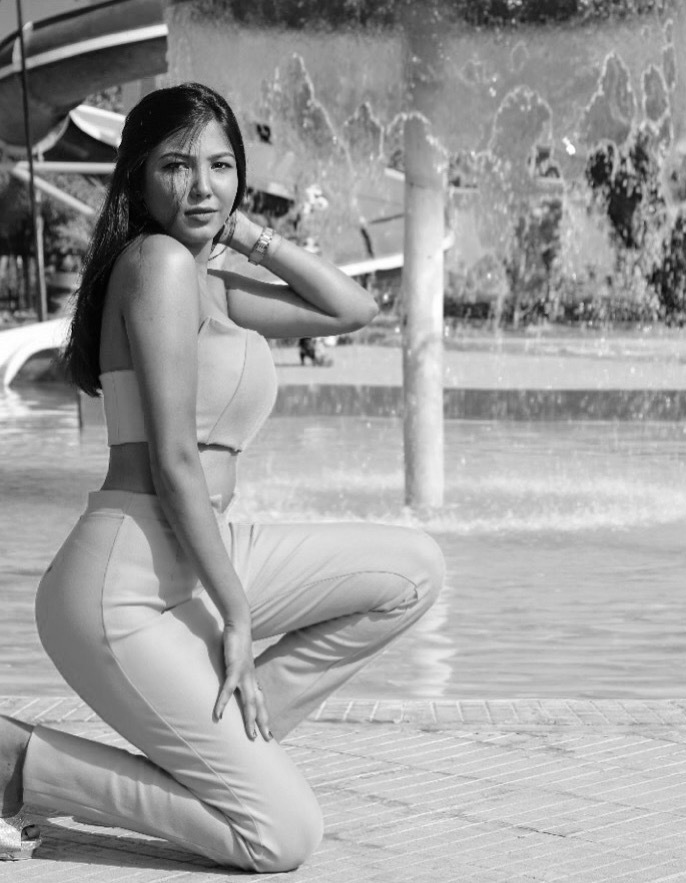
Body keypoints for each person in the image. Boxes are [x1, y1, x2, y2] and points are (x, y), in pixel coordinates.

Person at [0, 83, 445, 871]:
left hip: (199, 556)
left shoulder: (209, 278)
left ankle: (220, 749)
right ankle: (16, 762)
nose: (200, 186)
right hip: (127, 582)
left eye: (220, 165)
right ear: (138, 177)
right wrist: (237, 616)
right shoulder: (159, 264)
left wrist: (243, 232)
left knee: (411, 571)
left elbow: (351, 310)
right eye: (175, 166)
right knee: (280, 837)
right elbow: (174, 460)